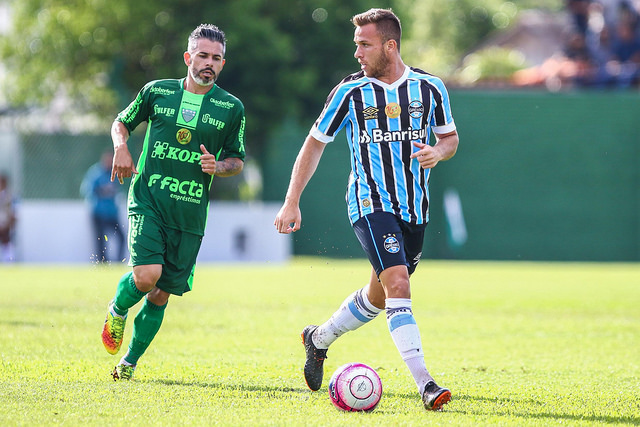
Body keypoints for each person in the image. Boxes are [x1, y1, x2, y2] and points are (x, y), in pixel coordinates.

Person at [274, 8, 459, 411]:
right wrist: (292, 200)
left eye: (364, 44)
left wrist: (437, 152)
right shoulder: (350, 92)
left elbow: (450, 138)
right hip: (370, 203)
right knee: (399, 285)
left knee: (378, 297)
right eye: (356, 44)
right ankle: (426, 384)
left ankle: (318, 338)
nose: (356, 52)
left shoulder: (430, 88)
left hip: (415, 210)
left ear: (389, 46)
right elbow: (314, 143)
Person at [101, 23, 246, 381]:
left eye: (216, 58)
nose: (209, 63)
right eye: (202, 55)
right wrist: (121, 147)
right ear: (188, 57)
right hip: (149, 200)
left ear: (223, 64)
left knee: (162, 293)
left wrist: (219, 166)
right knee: (148, 277)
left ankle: (129, 363)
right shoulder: (158, 92)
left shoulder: (231, 108)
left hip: (190, 214)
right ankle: (118, 310)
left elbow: (237, 160)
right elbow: (122, 121)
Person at [81, 150, 126, 263]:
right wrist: (101, 191)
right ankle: (102, 263)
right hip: (98, 212)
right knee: (100, 240)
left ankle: (118, 261)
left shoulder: (115, 172)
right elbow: (87, 190)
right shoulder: (96, 173)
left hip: (111, 213)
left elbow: (119, 189)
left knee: (121, 238)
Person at [0, 173, 17, 262]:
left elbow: (14, 214)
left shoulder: (10, 197)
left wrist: (7, 225)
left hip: (5, 225)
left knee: (6, 239)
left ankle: (9, 260)